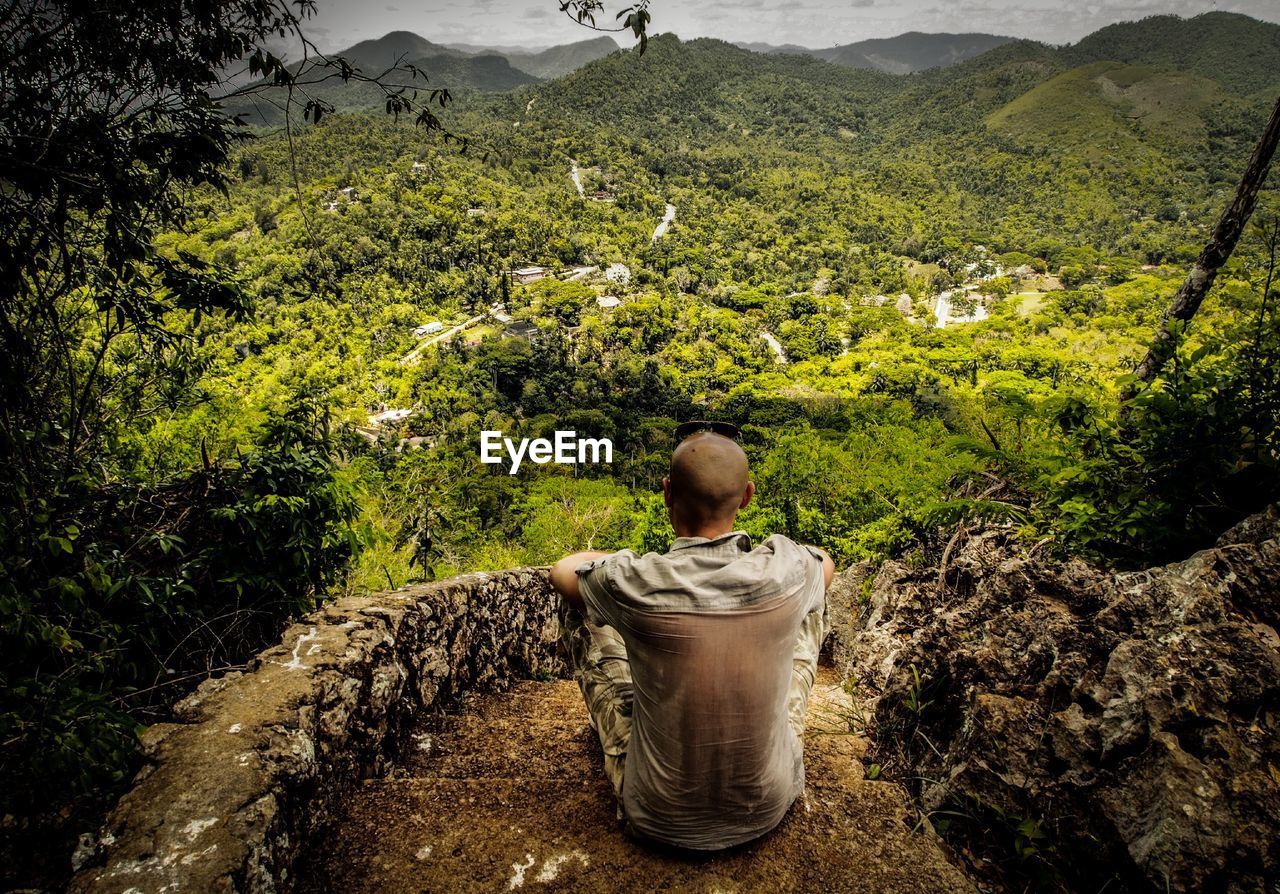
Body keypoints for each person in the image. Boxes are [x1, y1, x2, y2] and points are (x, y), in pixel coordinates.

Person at [548, 422, 836, 852]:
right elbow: (826, 563)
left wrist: (618, 562)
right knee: (811, 605)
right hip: (768, 803)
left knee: (581, 604)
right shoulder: (787, 566)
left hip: (657, 814)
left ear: (667, 492)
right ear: (747, 496)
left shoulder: (636, 579)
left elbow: (562, 570)